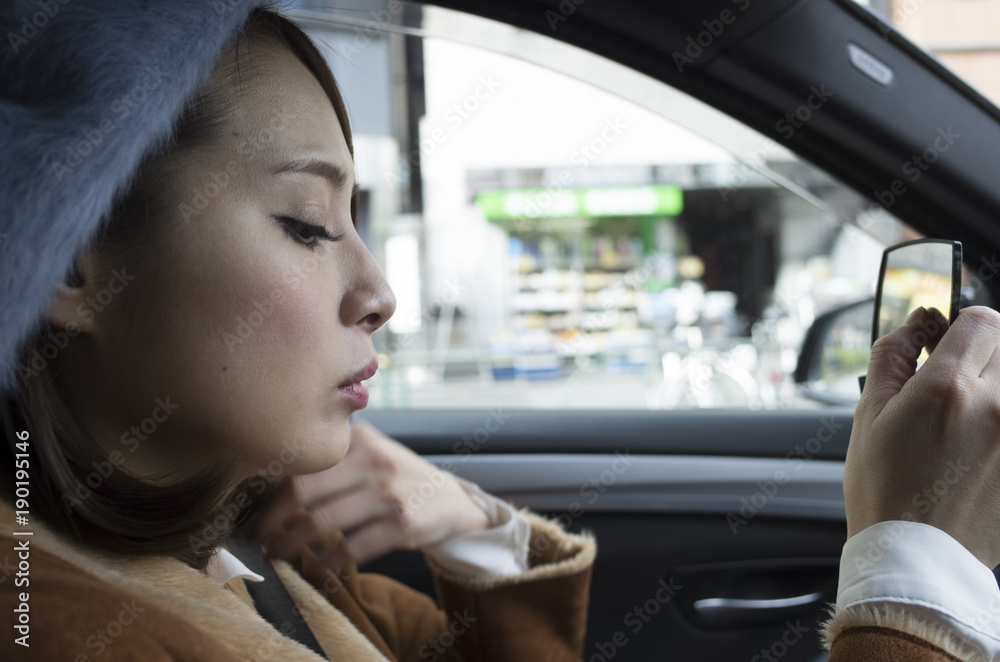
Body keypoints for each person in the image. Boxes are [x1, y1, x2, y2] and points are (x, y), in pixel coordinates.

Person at [0, 2, 998, 661]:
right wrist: (916, 577)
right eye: (306, 223)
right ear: (76, 259)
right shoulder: (75, 627)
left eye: (358, 218)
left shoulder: (223, 549)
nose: (380, 289)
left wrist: (474, 527)